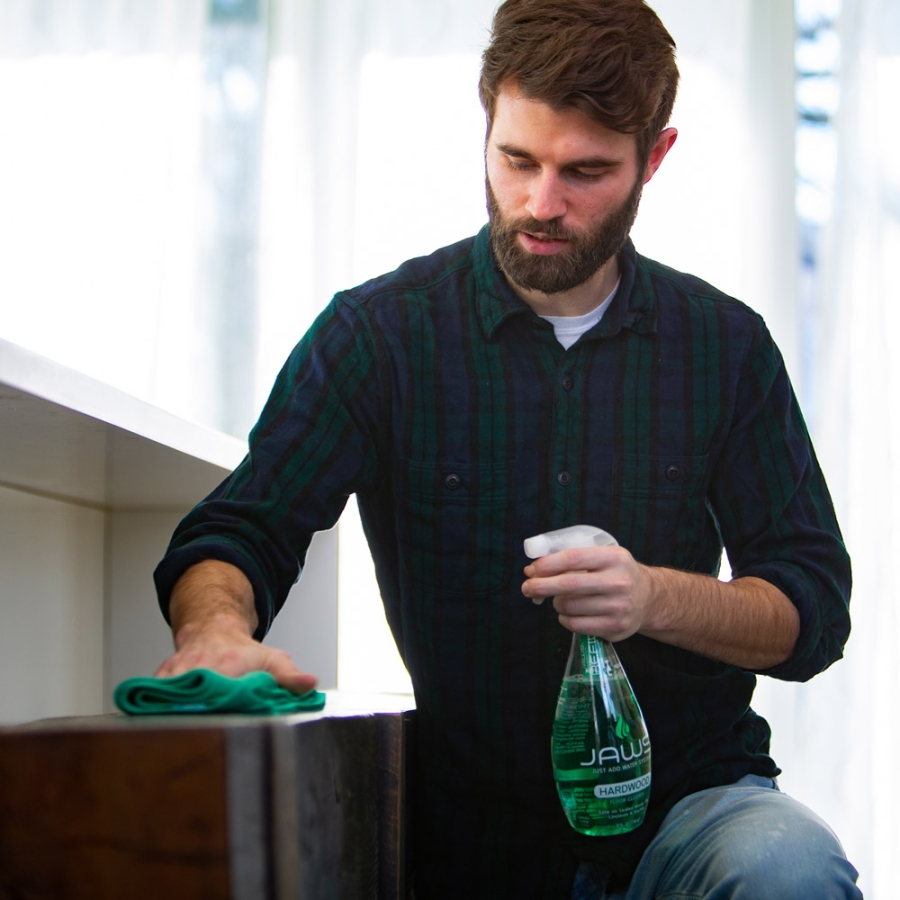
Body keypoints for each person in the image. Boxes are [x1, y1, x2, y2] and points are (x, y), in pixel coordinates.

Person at [153, 1, 861, 897]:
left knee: (790, 872)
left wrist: (652, 597)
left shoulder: (725, 348)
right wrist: (214, 631)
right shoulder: (380, 337)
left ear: (657, 156)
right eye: (517, 159)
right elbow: (241, 528)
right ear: (485, 121)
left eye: (587, 172)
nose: (540, 203)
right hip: (468, 838)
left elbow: (813, 612)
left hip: (689, 811)